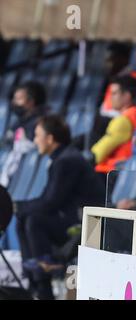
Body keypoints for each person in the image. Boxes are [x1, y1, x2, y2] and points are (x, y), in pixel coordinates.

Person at [15, 115, 105, 300]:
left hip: (86, 224)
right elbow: (48, 200)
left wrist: (18, 207)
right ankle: (36, 279)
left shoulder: (67, 161)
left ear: (49, 138)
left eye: (37, 135)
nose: (35, 140)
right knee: (25, 218)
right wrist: (20, 208)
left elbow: (51, 202)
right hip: (72, 217)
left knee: (34, 220)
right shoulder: (63, 158)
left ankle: (43, 286)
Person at [91, 76, 136, 174]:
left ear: (127, 96)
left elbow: (98, 154)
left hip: (114, 174)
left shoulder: (122, 121)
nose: (110, 97)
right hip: (133, 172)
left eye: (114, 93)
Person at [0, 82, 47, 187]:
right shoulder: (21, 121)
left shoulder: (42, 123)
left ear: (31, 102)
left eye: (18, 99)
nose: (13, 102)